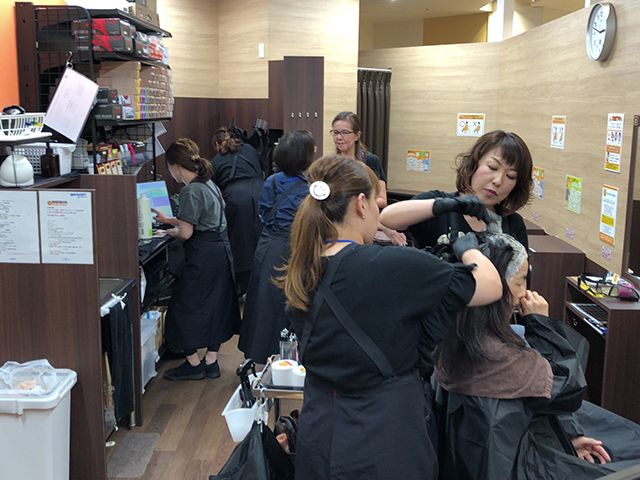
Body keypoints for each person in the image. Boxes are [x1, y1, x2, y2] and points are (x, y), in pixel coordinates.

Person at [280, 155, 503, 480]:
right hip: (383, 443)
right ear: (361, 204)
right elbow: (490, 286)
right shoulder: (391, 265)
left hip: (319, 437)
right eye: (375, 202)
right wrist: (468, 249)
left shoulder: (303, 269)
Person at [434, 233, 640, 479]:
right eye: (521, 281)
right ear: (496, 286)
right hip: (517, 465)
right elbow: (569, 388)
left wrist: (566, 437)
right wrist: (540, 323)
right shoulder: (496, 355)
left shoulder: (457, 335)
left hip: (511, 446)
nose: (525, 292)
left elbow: (529, 404)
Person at [153, 138, 240, 381]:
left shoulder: (190, 190)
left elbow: (186, 232)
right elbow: (202, 217)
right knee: (216, 306)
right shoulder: (208, 184)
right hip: (221, 253)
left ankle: (193, 364)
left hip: (203, 256)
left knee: (182, 308)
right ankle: (211, 362)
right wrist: (169, 221)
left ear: (174, 166)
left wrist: (171, 231)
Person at [379, 130, 533, 250]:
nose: (498, 181)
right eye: (492, 167)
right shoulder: (439, 204)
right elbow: (386, 218)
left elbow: (519, 277)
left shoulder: (513, 224)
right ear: (474, 164)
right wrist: (450, 205)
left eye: (511, 176)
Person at [238, 130, 316, 364]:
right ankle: (287, 360)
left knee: (262, 303)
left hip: (267, 246)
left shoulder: (271, 181)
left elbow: (264, 214)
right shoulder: (309, 188)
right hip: (294, 248)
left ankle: (258, 355)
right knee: (289, 303)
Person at [331, 110, 406, 245]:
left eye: (345, 132)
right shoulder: (331, 164)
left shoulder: (370, 160)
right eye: (335, 133)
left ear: (357, 135)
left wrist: (354, 204)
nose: (339, 137)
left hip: (366, 222)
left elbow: (382, 199)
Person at [211, 127, 264, 295]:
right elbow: (261, 168)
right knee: (262, 238)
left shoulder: (216, 160)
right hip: (261, 193)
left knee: (239, 242)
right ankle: (260, 286)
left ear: (216, 144)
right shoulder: (249, 149)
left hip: (235, 198)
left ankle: (242, 287)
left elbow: (214, 189)